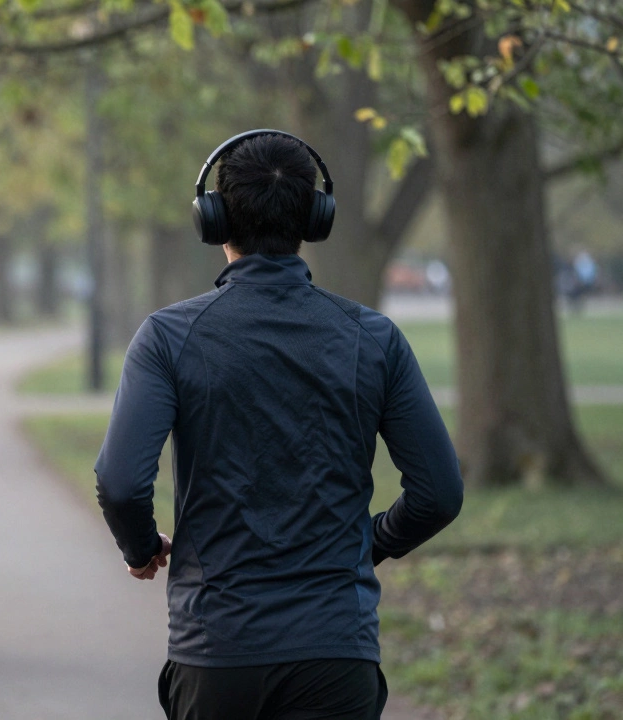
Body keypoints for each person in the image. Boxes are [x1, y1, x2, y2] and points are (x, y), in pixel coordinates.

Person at [95, 132, 463, 719]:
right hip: (336, 654)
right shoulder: (375, 339)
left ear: (212, 219)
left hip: (216, 651)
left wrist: (141, 549)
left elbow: (121, 483)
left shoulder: (168, 337)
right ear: (315, 219)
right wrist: (372, 542)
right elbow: (439, 494)